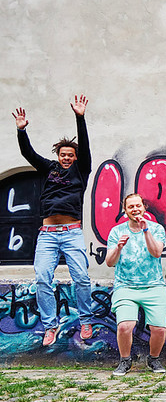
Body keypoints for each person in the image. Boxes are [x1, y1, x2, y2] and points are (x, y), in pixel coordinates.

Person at [13, 96, 94, 346]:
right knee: (42, 277)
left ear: (75, 157)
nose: (67, 158)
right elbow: (28, 153)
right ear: (58, 155)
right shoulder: (49, 169)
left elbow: (86, 148)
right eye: (63, 155)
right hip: (47, 233)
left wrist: (80, 117)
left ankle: (86, 319)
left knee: (81, 277)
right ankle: (51, 325)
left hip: (71, 233)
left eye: (70, 155)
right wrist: (21, 130)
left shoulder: (81, 170)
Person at [106, 194, 166, 375]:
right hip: (125, 286)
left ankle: (153, 359)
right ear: (125, 210)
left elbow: (156, 253)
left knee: (159, 328)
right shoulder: (116, 232)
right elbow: (110, 263)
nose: (135, 209)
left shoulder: (156, 229)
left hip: (153, 286)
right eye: (131, 206)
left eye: (138, 206)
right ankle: (125, 360)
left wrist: (146, 230)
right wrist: (118, 247)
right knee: (125, 326)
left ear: (144, 208)